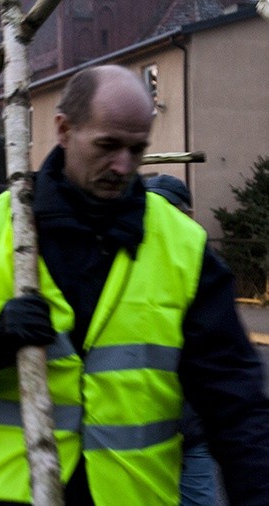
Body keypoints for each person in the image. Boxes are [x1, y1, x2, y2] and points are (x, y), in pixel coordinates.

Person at [0, 65, 269, 505]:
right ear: (63, 130)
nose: (123, 165)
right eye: (107, 145)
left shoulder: (183, 248)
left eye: (137, 150)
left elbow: (238, 407)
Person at [145, 174, 216, 506]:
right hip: (142, 440)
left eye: (171, 210)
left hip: (190, 435)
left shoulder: (201, 266)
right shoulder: (124, 267)